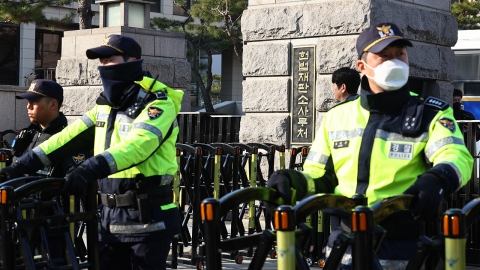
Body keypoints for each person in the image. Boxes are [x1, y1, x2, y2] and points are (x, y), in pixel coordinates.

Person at [266, 22, 473, 268]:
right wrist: (294, 182)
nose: (394, 61)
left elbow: (456, 155)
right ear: (362, 67)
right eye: (384, 56)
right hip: (343, 248)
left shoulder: (430, 113)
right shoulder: (337, 116)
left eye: (400, 54)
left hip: (403, 247)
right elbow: (320, 176)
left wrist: (437, 180)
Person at [0, 34, 183, 270]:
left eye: (109, 59)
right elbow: (65, 139)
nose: (103, 66)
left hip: (149, 220)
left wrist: (89, 168)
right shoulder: (104, 106)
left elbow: (139, 145)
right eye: (101, 61)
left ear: (133, 61)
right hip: (110, 220)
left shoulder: (159, 103)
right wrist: (19, 167)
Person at [0, 79, 88, 262]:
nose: (28, 107)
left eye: (34, 102)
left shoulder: (67, 139)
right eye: (28, 102)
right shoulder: (29, 135)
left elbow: (73, 182)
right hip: (22, 220)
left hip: (52, 225)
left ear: (53, 104)